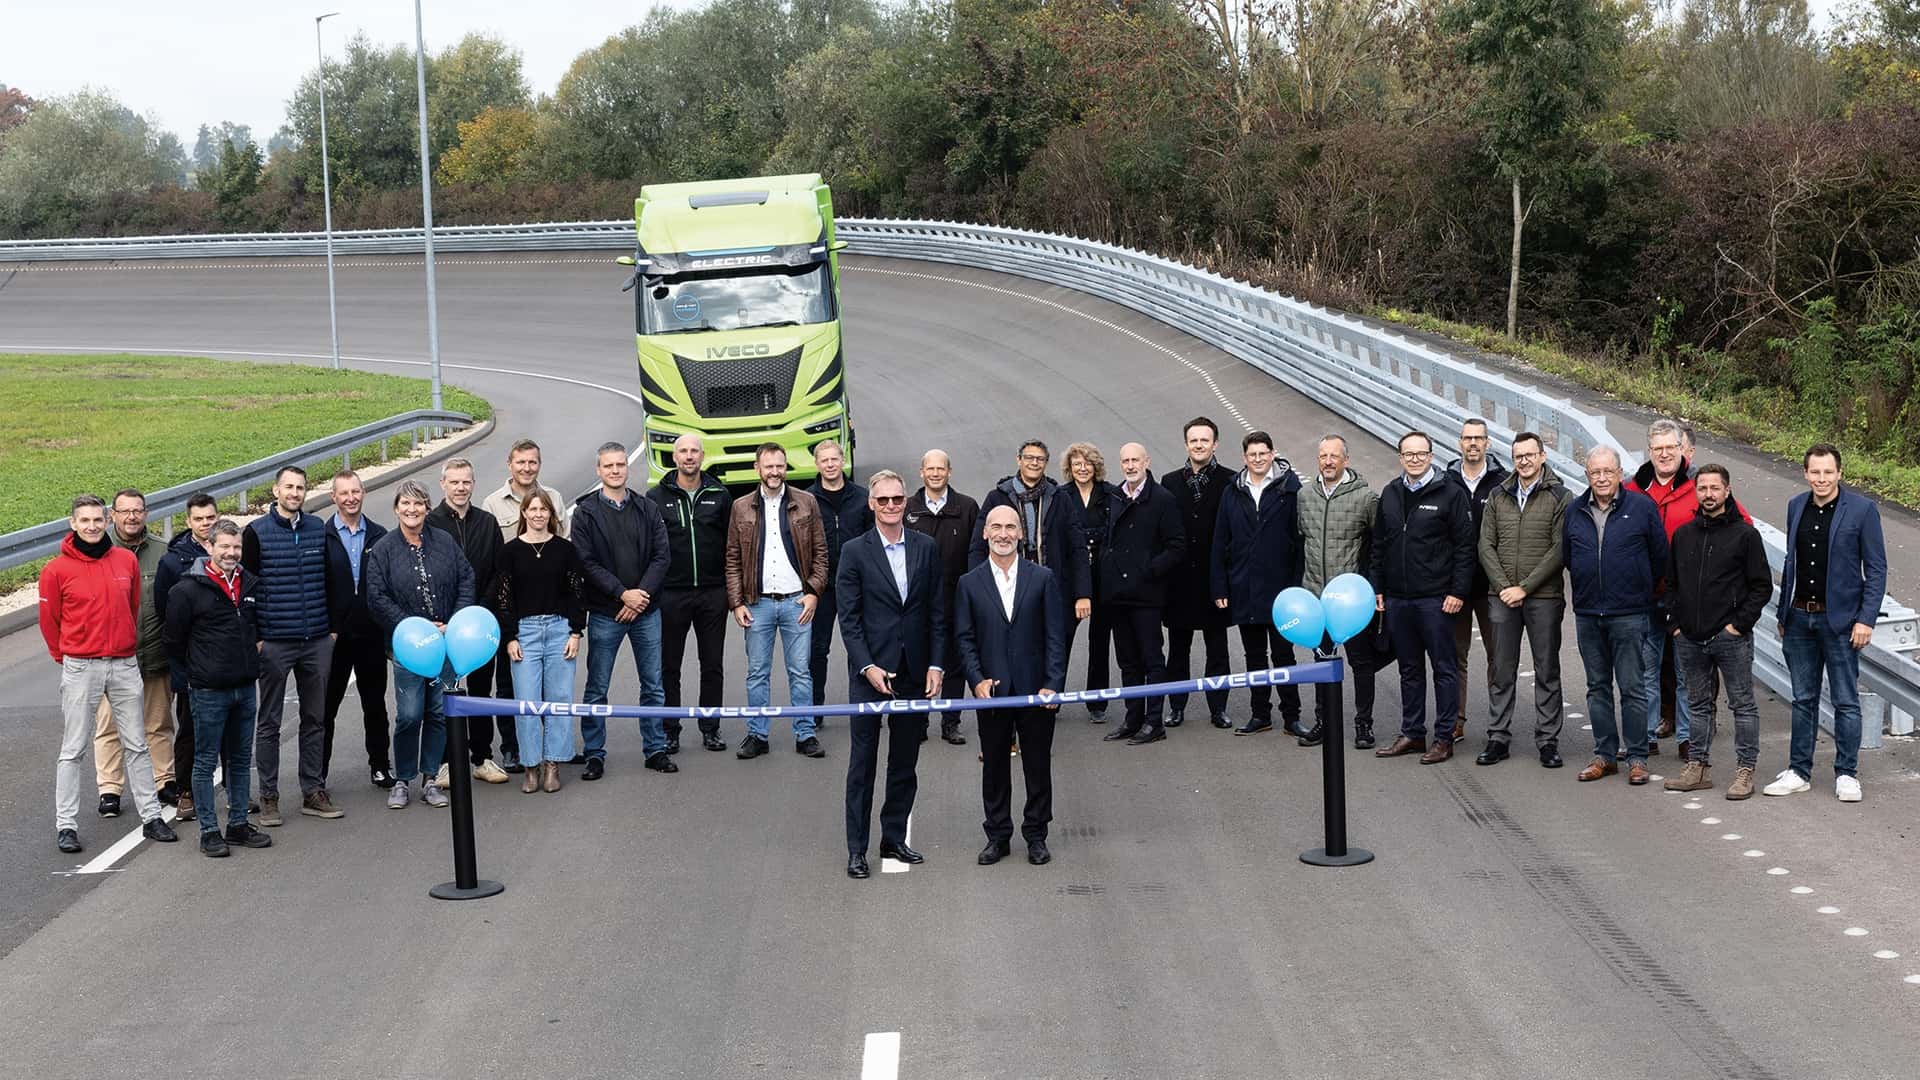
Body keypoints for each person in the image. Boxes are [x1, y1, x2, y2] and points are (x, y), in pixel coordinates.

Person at [41, 494, 178, 854]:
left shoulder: (124, 561)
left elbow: (131, 606)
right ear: (73, 524)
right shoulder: (56, 570)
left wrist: (122, 647)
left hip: (123, 663)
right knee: (73, 748)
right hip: (81, 665)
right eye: (83, 520)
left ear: (106, 521)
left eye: (96, 520)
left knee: (136, 743)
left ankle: (152, 817)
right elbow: (49, 621)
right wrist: (66, 656)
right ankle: (66, 825)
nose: (91, 526)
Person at [837, 470, 947, 878]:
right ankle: (856, 848)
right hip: (869, 673)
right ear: (871, 504)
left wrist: (936, 664)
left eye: (897, 499)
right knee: (862, 764)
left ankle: (894, 837)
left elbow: (937, 611)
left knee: (905, 761)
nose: (890, 506)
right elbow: (849, 620)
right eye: (882, 500)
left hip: (914, 671)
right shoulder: (854, 551)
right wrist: (867, 666)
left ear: (906, 502)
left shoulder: (927, 547)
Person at [1765, 444, 1888, 802]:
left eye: (1828, 472)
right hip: (1800, 618)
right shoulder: (1795, 506)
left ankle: (1847, 773)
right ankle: (1798, 771)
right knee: (1803, 699)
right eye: (1815, 472)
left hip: (1841, 622)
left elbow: (1876, 570)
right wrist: (1784, 614)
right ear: (1805, 473)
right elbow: (1792, 562)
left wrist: (1866, 619)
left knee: (1846, 701)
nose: (1821, 479)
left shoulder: (1863, 511)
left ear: (1839, 473)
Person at [956, 505, 1067, 867]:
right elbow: (965, 638)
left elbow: (1056, 635)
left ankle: (1036, 835)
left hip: (1036, 692)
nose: (1003, 534)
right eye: (996, 527)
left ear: (1021, 534)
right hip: (993, 694)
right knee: (995, 768)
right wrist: (976, 681)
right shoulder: (969, 583)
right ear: (985, 533)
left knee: (1037, 765)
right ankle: (997, 836)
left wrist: (1053, 684)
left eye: (1010, 527)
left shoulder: (1043, 578)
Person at [162, 519, 273, 857]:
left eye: (236, 547)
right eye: (224, 546)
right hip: (208, 690)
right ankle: (210, 830)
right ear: (209, 547)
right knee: (205, 761)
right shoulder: (186, 590)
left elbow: (258, 628)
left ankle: (238, 823)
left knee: (240, 760)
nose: (231, 553)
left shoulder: (249, 583)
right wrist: (195, 676)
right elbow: (174, 641)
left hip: (244, 687)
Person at [1664, 465, 1772, 799]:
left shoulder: (1745, 536)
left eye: (1715, 488)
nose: (1708, 494)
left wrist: (1738, 626)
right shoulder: (1684, 535)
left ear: (1727, 491)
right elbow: (1671, 585)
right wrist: (1676, 625)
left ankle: (1745, 770)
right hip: (1690, 637)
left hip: (1730, 638)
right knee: (1697, 704)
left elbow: (1761, 587)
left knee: (1742, 705)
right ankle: (1698, 766)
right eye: (1703, 488)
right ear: (1696, 492)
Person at [366, 480, 475, 809]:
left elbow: (466, 579)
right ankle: (402, 779)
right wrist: (412, 627)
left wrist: (452, 624)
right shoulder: (384, 549)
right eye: (406, 504)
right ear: (396, 508)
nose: (412, 509)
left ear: (427, 508)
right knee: (410, 715)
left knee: (439, 713)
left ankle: (430, 778)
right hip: (409, 647)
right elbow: (376, 595)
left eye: (418, 504)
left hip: (445, 644)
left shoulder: (444, 542)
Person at [242, 465, 340, 826]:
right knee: (269, 722)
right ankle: (269, 797)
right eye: (289, 487)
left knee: (315, 719)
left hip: (316, 639)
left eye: (300, 487)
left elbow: (332, 580)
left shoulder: (318, 528)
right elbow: (247, 591)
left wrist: (332, 630)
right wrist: (257, 639)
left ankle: (313, 791)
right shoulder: (255, 533)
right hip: (275, 643)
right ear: (276, 491)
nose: (295, 493)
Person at [1564, 447, 1668, 786]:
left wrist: (1638, 592)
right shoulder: (1575, 511)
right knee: (1597, 687)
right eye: (1596, 472)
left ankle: (1637, 757)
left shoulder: (1641, 508)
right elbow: (1569, 556)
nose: (1602, 478)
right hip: (1589, 613)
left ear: (1620, 472)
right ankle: (1605, 755)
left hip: (1630, 613)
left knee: (1633, 687)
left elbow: (1659, 558)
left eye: (1608, 471)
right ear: (1587, 475)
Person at [1372, 431, 1475, 764]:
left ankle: (1444, 737)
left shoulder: (1450, 494)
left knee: (1444, 669)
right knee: (1409, 669)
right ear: (1400, 457)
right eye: (1408, 454)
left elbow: (1465, 547)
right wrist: (1379, 588)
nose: (1414, 459)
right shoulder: (1389, 492)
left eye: (1421, 453)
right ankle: (1413, 733)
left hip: (1436, 599)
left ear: (1431, 456)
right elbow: (1378, 545)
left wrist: (1458, 591)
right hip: (1399, 599)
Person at [572, 442, 674, 777]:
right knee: (597, 687)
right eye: (609, 466)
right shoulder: (586, 513)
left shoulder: (647, 508)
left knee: (653, 685)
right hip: (605, 613)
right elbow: (586, 562)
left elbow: (662, 556)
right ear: (598, 470)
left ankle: (655, 748)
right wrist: (622, 594)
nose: (616, 470)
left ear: (627, 468)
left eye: (620, 465)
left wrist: (640, 595)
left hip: (647, 610)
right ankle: (594, 753)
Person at [725, 443, 830, 759]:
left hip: (797, 602)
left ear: (786, 467)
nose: (774, 472)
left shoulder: (806, 502)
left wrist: (813, 592)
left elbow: (822, 553)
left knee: (800, 671)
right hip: (757, 604)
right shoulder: (740, 507)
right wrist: (737, 602)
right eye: (768, 466)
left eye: (779, 466)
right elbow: (732, 558)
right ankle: (758, 734)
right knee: (757, 672)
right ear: (757, 468)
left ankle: (805, 734)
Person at [1474, 432, 1571, 768]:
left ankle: (1547, 741)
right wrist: (1504, 586)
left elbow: (1559, 549)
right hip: (1501, 596)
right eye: (1518, 456)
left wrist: (1525, 588)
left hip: (1543, 596)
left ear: (1542, 456)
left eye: (1530, 455)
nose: (1524, 461)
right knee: (1501, 669)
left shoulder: (1560, 495)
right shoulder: (1498, 494)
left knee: (1546, 669)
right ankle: (1498, 737)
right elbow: (1485, 545)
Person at [480, 438, 568, 773]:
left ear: (539, 465)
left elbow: (565, 547)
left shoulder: (554, 498)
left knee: (551, 685)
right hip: (511, 607)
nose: (526, 468)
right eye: (521, 462)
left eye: (532, 462)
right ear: (509, 463)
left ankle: (551, 751)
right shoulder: (492, 503)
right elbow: (492, 557)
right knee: (509, 684)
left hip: (548, 604)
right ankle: (513, 748)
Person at [1211, 431, 1306, 738]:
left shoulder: (1291, 490)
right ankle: (1260, 715)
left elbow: (1300, 542)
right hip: (1244, 588)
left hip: (1281, 592)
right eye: (1252, 455)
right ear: (1244, 458)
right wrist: (1220, 587)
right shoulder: (1232, 491)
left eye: (1263, 454)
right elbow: (1220, 541)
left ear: (1273, 454)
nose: (1258, 459)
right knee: (1254, 657)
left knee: (1284, 656)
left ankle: (1292, 716)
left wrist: (1296, 587)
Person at [91, 489, 177, 818]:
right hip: (111, 657)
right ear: (112, 515)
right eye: (125, 511)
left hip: (155, 654)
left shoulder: (162, 552)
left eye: (138, 511)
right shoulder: (99, 552)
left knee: (158, 723)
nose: (132, 517)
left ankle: (163, 780)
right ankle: (110, 788)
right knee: (110, 726)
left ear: (146, 513)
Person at [492, 490, 586, 794]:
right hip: (525, 633)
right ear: (524, 513)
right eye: (532, 509)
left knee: (559, 701)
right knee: (527, 703)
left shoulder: (565, 550)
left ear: (551, 514)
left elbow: (576, 593)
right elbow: (503, 599)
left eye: (543, 509)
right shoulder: (510, 552)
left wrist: (575, 632)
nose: (537, 515)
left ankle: (553, 764)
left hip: (559, 630)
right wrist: (509, 638)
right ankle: (530, 766)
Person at [648, 433, 734, 754]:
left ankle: (710, 727)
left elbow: (731, 545)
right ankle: (671, 729)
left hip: (713, 593)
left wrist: (729, 590)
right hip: (671, 594)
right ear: (674, 457)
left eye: (694, 451)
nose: (688, 456)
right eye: (683, 451)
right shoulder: (655, 497)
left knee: (712, 664)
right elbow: (651, 549)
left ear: (702, 456)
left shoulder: (719, 495)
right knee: (669, 666)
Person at [427, 457, 511, 785]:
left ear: (473, 484)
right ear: (443, 484)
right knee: (447, 693)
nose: (461, 488)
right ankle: (447, 761)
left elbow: (497, 571)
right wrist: (447, 618)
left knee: (479, 691)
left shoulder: (487, 523)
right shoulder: (431, 523)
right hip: (444, 625)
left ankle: (482, 757)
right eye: (455, 482)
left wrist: (480, 610)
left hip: (479, 624)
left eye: (466, 482)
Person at [1298, 435, 1385, 749]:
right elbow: (1300, 542)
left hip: (1351, 601)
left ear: (1346, 460)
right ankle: (1323, 721)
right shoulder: (1305, 495)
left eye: (1334, 456)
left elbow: (1378, 546)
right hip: (1316, 596)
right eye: (1323, 456)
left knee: (1361, 664)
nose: (1328, 461)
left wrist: (1372, 587)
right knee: (1322, 662)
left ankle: (1364, 725)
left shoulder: (1366, 498)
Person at [1098, 443, 1186, 745]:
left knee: (1151, 659)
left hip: (1146, 595)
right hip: (1118, 594)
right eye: (1125, 460)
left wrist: (1148, 570)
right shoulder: (1114, 496)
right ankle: (1132, 717)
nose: (1130, 465)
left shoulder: (1162, 499)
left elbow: (1176, 546)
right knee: (1127, 662)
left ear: (1147, 461)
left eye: (1136, 460)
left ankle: (1154, 722)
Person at [320, 471, 393, 789]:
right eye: (343, 493)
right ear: (333, 497)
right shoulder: (320, 536)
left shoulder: (380, 535)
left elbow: (389, 586)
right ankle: (317, 774)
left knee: (375, 705)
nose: (350, 498)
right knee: (325, 710)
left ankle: (380, 766)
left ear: (364, 493)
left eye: (356, 491)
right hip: (333, 639)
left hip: (371, 635)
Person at [153, 492, 221, 822]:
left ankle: (237, 793)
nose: (206, 523)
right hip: (191, 663)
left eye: (211, 517)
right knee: (191, 730)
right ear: (188, 521)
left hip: (226, 660)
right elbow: (166, 617)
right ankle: (185, 793)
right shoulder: (172, 562)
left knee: (231, 729)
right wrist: (181, 662)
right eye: (200, 519)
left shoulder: (231, 550)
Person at [1164, 418, 1236, 730]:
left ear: (1215, 443)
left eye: (1204, 440)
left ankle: (1218, 708)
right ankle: (1176, 706)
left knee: (1217, 648)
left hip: (1214, 580)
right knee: (1178, 649)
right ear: (1186, 444)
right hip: (1179, 582)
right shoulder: (1169, 482)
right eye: (1193, 440)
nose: (1199, 445)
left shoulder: (1231, 481)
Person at [905, 449, 980, 745]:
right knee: (919, 661)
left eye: (941, 469)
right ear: (921, 472)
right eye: (930, 469)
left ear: (949, 472)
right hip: (917, 602)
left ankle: (951, 721)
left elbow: (976, 552)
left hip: (955, 598)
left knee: (954, 663)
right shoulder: (908, 508)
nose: (935, 474)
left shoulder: (967, 507)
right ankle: (919, 721)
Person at [1446, 419, 1507, 742]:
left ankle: (1498, 726)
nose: (1473, 443)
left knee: (1498, 658)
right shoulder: (1446, 481)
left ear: (1488, 443)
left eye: (1478, 438)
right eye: (1467, 438)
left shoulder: (1502, 483)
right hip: (1456, 587)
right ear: (1459, 443)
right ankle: (1456, 721)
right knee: (1455, 657)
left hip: (1492, 586)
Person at [808, 439, 872, 712]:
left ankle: (866, 704)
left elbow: (872, 539)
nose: (830, 465)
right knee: (817, 648)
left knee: (862, 648)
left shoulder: (862, 496)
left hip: (858, 585)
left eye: (834, 459)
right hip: (821, 586)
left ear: (843, 460)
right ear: (817, 464)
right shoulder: (807, 499)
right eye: (825, 461)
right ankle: (816, 708)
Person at [1060, 443, 1108, 721]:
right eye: (1076, 463)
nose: (1082, 468)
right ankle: (1052, 696)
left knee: (1099, 640)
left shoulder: (1109, 493)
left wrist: (1086, 537)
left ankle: (1097, 701)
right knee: (1061, 638)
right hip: (1072, 578)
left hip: (1103, 577)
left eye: (1087, 463)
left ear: (1095, 466)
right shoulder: (1061, 495)